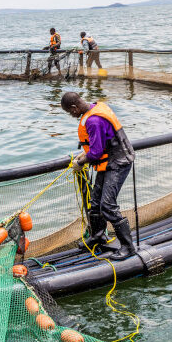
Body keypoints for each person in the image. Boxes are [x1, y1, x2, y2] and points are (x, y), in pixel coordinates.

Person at [60, 92, 137, 259]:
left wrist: (80, 163)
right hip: (109, 162)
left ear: (74, 108)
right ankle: (98, 236)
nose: (71, 115)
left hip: (119, 162)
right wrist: (83, 156)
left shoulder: (94, 120)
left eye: (69, 112)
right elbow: (98, 147)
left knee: (107, 205)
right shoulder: (95, 108)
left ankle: (128, 246)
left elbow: (95, 153)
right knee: (95, 203)